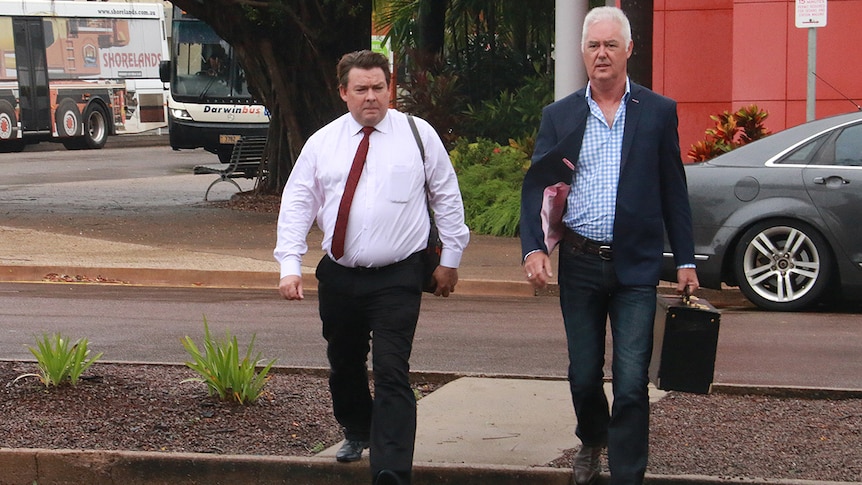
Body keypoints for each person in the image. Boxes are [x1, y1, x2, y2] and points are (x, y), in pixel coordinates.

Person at [519, 7, 699, 485]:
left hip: (635, 267)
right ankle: (593, 437)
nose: (602, 54)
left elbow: (673, 190)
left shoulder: (658, 112)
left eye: (611, 45)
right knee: (583, 375)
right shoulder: (560, 116)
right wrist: (534, 248)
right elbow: (536, 186)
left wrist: (685, 260)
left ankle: (626, 475)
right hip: (579, 263)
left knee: (633, 382)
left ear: (628, 50)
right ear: (583, 53)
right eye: (594, 46)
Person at [274, 50, 469, 485]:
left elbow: (446, 197)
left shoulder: (418, 136)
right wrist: (290, 264)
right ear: (343, 92)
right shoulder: (323, 143)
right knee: (344, 362)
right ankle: (357, 427)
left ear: (389, 89)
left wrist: (450, 260)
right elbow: (297, 204)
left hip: (398, 274)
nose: (371, 98)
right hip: (340, 275)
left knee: (391, 368)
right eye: (360, 89)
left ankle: (391, 469)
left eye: (378, 88)